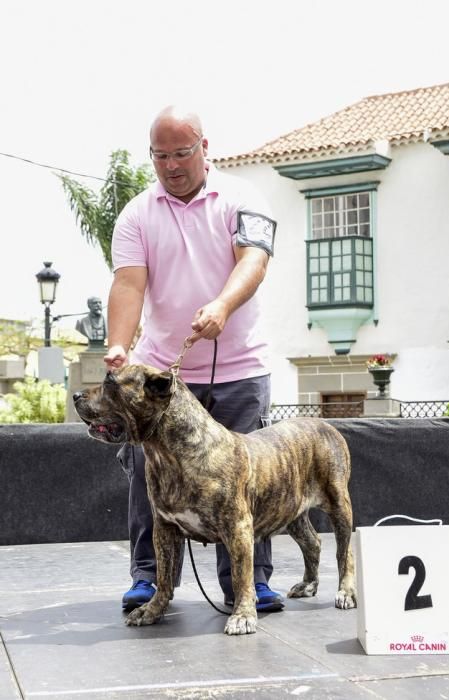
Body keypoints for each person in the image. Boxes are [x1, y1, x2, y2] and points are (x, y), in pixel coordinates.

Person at [104, 105, 282, 614]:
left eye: (182, 153)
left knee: (247, 477)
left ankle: (250, 585)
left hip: (240, 369)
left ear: (205, 147)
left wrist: (223, 305)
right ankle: (148, 577)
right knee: (146, 468)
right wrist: (119, 346)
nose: (171, 165)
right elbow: (128, 283)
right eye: (160, 155)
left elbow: (255, 260)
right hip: (164, 375)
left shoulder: (244, 197)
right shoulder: (137, 213)